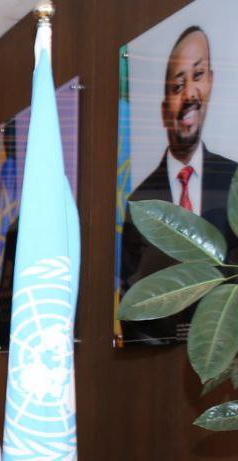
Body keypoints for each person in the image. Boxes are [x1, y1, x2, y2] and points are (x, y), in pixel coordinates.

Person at [119, 26, 237, 344]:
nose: (189, 95)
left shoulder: (233, 183)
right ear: (163, 110)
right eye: (177, 86)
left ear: (211, 81)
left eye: (198, 75)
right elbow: (133, 297)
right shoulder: (142, 203)